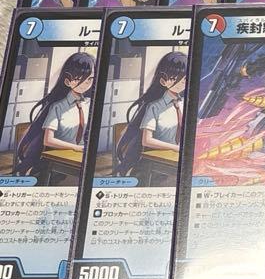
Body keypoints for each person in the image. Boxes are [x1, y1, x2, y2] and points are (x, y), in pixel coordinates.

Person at [14, 52, 95, 179]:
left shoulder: (89, 104)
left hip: (76, 159)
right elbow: (48, 140)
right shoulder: (57, 106)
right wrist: (76, 148)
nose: (86, 83)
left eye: (90, 79)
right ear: (67, 81)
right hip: (56, 161)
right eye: (79, 79)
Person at [113, 50, 187, 184]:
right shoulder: (154, 107)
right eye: (175, 78)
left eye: (185, 79)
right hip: (152, 164)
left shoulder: (182, 104)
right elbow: (147, 140)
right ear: (163, 80)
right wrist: (175, 147)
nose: (182, 82)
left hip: (173, 159)